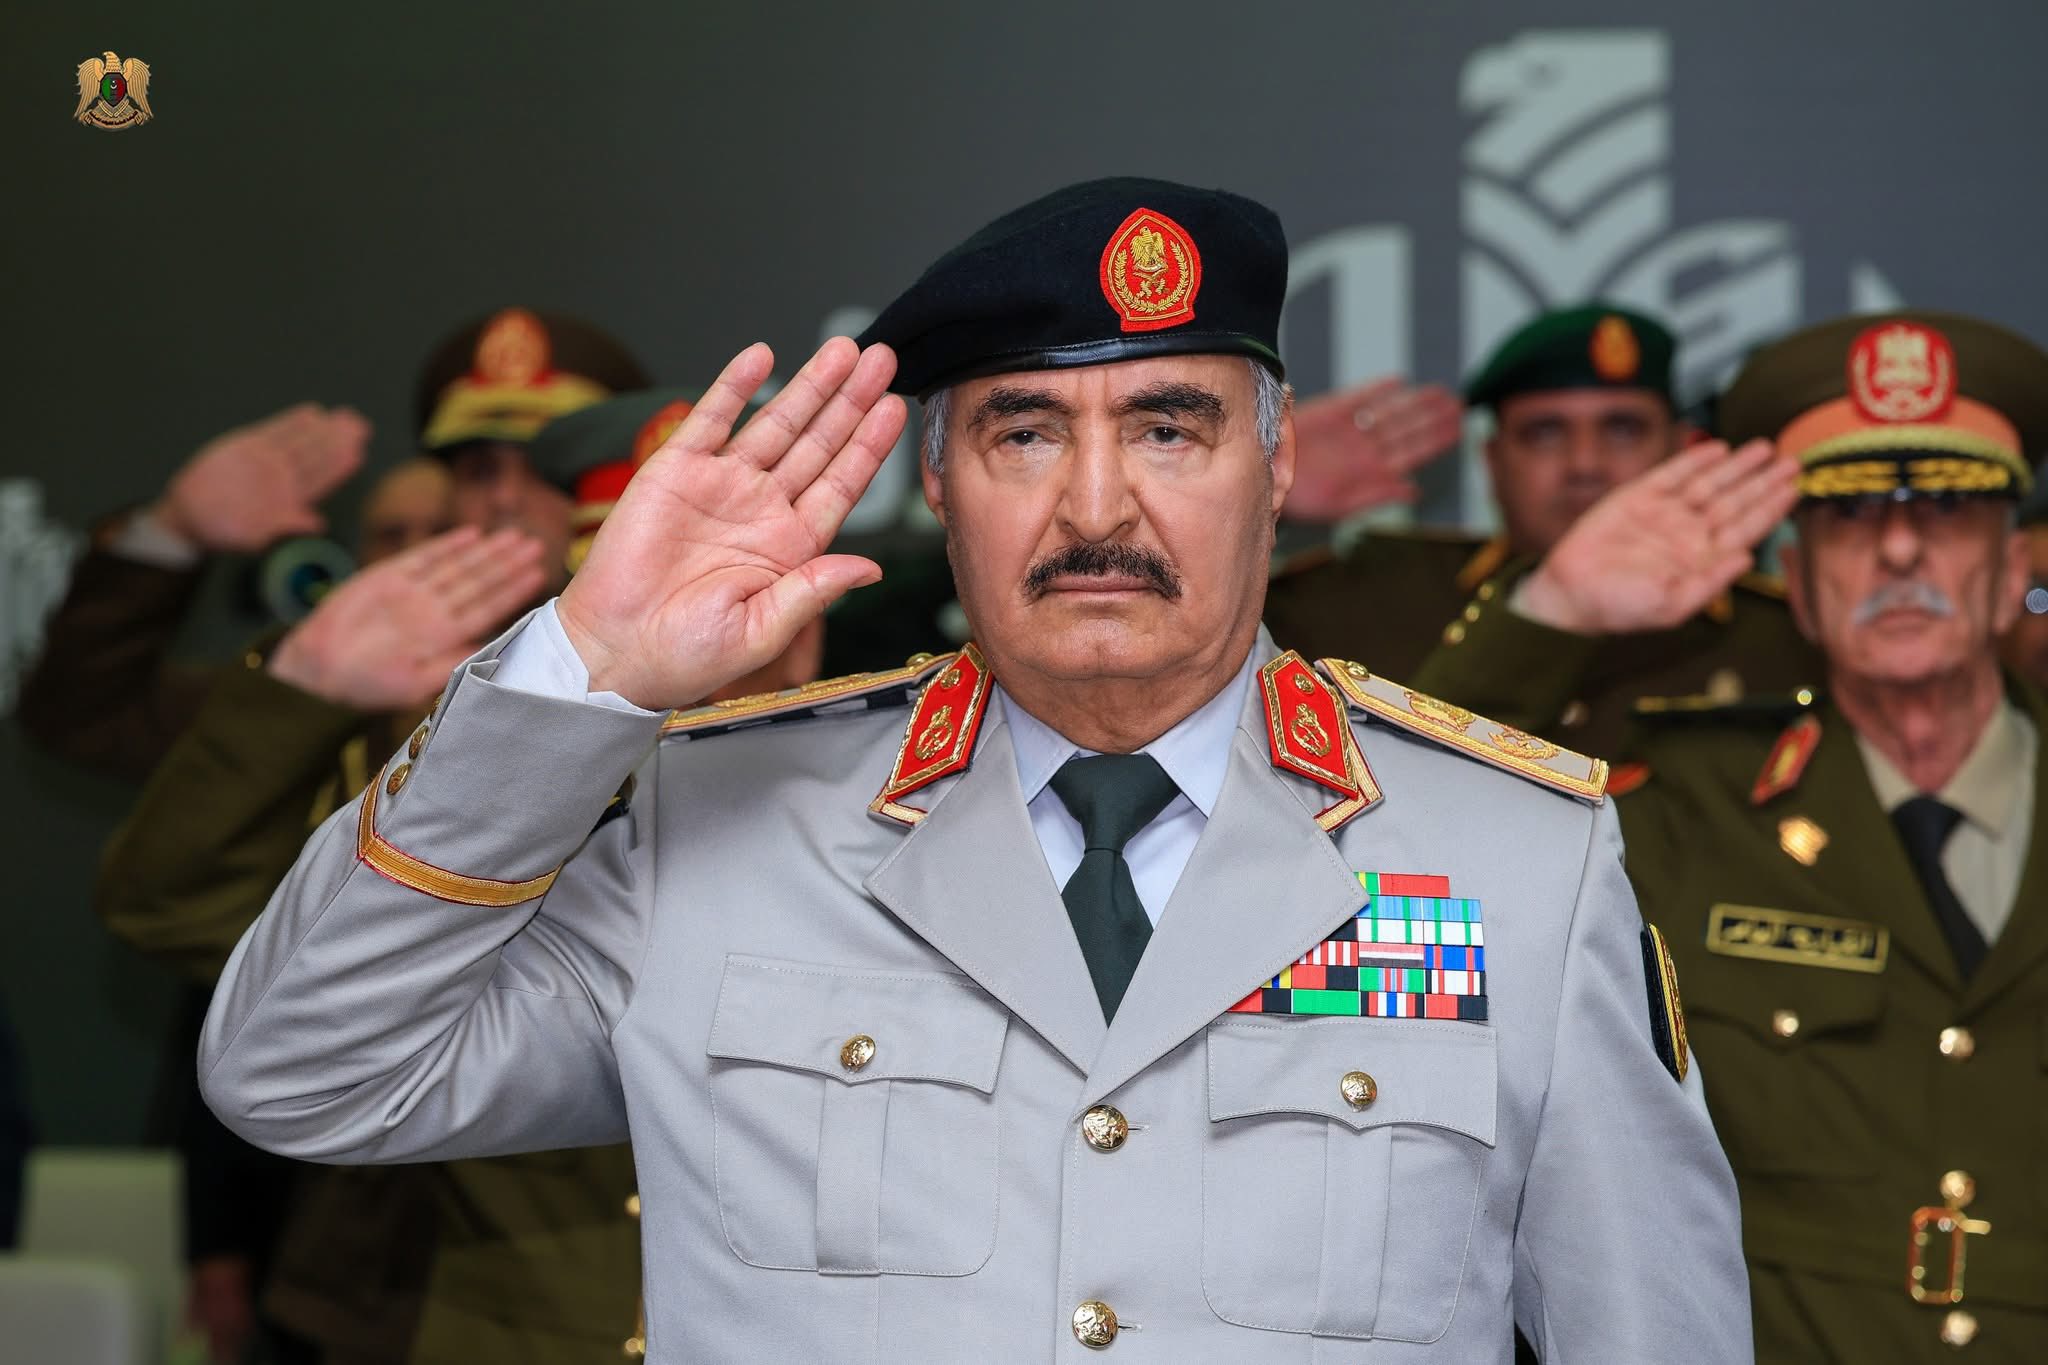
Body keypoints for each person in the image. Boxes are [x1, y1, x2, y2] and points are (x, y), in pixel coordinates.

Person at [200, 177, 1748, 1361]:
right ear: (935, 481)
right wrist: (580, 675)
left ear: (1277, 468)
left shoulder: (1516, 861)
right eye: (1023, 434)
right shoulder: (723, 828)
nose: (1098, 508)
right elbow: (302, 1074)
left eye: (1170, 429)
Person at [1592, 311, 2048, 1360]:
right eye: (1847, 516)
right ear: (1795, 584)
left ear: (2012, 566)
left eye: (1946, 508)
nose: (1899, 548)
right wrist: (1555, 612)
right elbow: (1408, 842)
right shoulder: (1684, 813)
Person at [1265, 304, 1820, 756]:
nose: (1585, 464)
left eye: (1623, 429)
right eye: (1546, 433)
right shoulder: (1365, 599)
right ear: (1493, 462)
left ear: (1682, 450)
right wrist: (1263, 487)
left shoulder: (1784, 635)